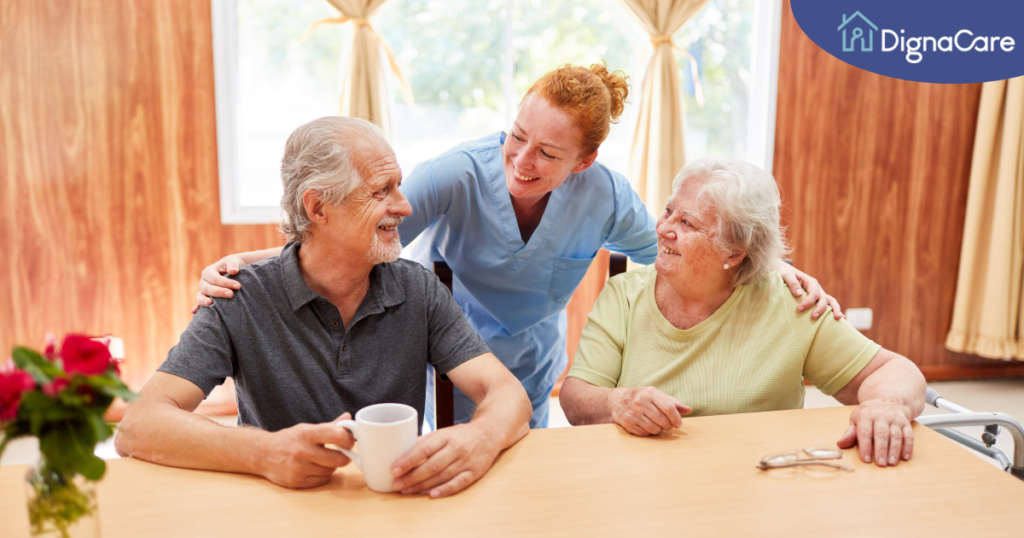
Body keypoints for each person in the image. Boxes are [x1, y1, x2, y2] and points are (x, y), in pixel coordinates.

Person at [191, 63, 842, 429]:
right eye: (515, 136)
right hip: (445, 341)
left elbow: (681, 248)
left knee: (517, 456)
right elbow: (355, 233)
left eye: (548, 152)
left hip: (531, 356)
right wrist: (247, 265)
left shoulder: (607, 195)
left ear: (584, 161)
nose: (521, 160)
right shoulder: (457, 174)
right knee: (440, 450)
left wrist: (775, 269)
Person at [116, 117, 532, 497]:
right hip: (278, 509)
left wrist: (481, 437)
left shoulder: (417, 289)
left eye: (398, 186)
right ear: (317, 208)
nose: (404, 206)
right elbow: (139, 426)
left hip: (394, 504)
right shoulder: (237, 297)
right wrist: (263, 452)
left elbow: (508, 393)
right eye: (381, 190)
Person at [559, 157, 926, 467]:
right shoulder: (623, 296)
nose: (664, 229)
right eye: (669, 211)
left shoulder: (788, 303)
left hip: (758, 482)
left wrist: (886, 404)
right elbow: (576, 398)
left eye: (687, 223)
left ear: (733, 253)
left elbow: (893, 370)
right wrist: (617, 402)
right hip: (642, 479)